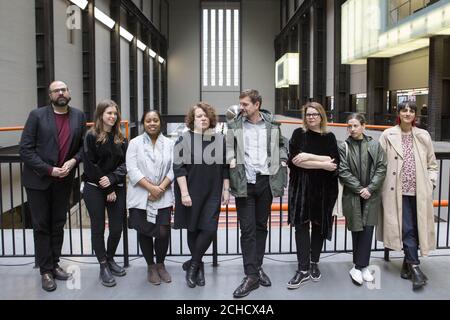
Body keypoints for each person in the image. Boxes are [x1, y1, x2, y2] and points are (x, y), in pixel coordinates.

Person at [19, 80, 86, 292]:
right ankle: (45, 271)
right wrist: (49, 170)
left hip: (64, 180)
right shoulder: (37, 115)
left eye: (64, 89)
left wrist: (73, 161)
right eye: (56, 90)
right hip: (39, 180)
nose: (60, 93)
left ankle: (55, 264)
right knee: (41, 226)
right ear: (50, 95)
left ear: (69, 92)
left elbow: (83, 147)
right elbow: (25, 150)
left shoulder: (78, 116)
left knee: (57, 224)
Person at [227, 89, 288, 298]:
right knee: (247, 229)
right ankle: (251, 275)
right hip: (245, 182)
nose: (241, 107)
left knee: (261, 227)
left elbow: (282, 144)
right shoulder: (234, 124)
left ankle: (257, 267)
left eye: (245, 104)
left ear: (257, 105)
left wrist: (282, 159)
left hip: (266, 181)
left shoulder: (272, 125)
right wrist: (230, 158)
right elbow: (228, 146)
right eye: (241, 104)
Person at [379, 101, 438, 291]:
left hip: (420, 191)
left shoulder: (423, 136)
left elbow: (432, 165)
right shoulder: (388, 135)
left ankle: (407, 266)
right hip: (396, 191)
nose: (408, 113)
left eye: (411, 110)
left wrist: (431, 182)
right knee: (407, 228)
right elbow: (380, 163)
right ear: (398, 113)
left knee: (417, 227)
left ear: (415, 115)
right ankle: (416, 268)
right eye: (404, 110)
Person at [173, 102, 230, 288]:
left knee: (209, 228)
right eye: (199, 115)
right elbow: (178, 168)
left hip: (212, 191)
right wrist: (184, 193)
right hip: (190, 191)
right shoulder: (184, 139)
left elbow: (225, 167)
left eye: (206, 115)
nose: (203, 118)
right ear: (192, 119)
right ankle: (199, 267)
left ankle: (193, 265)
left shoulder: (220, 139)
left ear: (211, 118)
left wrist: (226, 189)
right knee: (193, 228)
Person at [286, 102, 339, 289]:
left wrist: (308, 155)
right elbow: (295, 162)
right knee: (300, 227)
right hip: (301, 188)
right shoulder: (298, 134)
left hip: (323, 189)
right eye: (308, 114)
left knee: (318, 227)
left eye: (315, 114)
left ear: (321, 116)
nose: (311, 117)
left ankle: (314, 262)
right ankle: (302, 268)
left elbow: (334, 163)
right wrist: (323, 162)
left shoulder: (329, 137)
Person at [82, 100, 127, 287]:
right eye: (109, 113)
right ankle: (103, 265)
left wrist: (113, 180)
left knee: (117, 228)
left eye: (115, 113)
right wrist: (107, 187)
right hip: (94, 187)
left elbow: (127, 164)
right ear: (100, 115)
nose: (112, 116)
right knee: (98, 228)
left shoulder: (121, 138)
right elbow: (90, 164)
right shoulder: (91, 136)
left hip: (115, 186)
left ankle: (109, 258)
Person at [126, 110, 174, 286]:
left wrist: (160, 188)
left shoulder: (169, 143)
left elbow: (173, 168)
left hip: (163, 193)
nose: (152, 123)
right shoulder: (134, 143)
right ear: (143, 123)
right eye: (148, 121)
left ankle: (161, 264)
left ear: (160, 122)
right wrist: (151, 188)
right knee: (144, 231)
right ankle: (150, 266)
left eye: (155, 120)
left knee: (163, 231)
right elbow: (132, 169)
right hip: (141, 194)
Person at [338, 113, 386, 286]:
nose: (352, 129)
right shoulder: (343, 146)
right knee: (356, 228)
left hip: (371, 194)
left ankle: (360, 266)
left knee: (368, 229)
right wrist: (359, 189)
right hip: (353, 193)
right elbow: (342, 170)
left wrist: (370, 188)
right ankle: (359, 266)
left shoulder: (374, 144)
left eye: (355, 126)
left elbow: (381, 167)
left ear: (363, 126)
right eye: (349, 126)